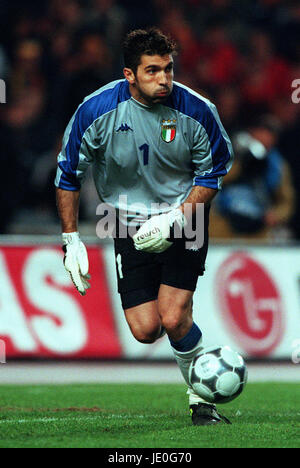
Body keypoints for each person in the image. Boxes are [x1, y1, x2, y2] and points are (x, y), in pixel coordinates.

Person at [55, 28, 234, 426]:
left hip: (184, 218)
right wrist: (71, 239)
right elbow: (68, 174)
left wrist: (176, 217)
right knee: (146, 329)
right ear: (129, 75)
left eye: (168, 69)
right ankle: (204, 353)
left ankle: (201, 402)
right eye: (152, 71)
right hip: (125, 222)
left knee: (173, 316)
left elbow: (215, 170)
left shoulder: (197, 110)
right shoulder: (95, 111)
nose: (164, 79)